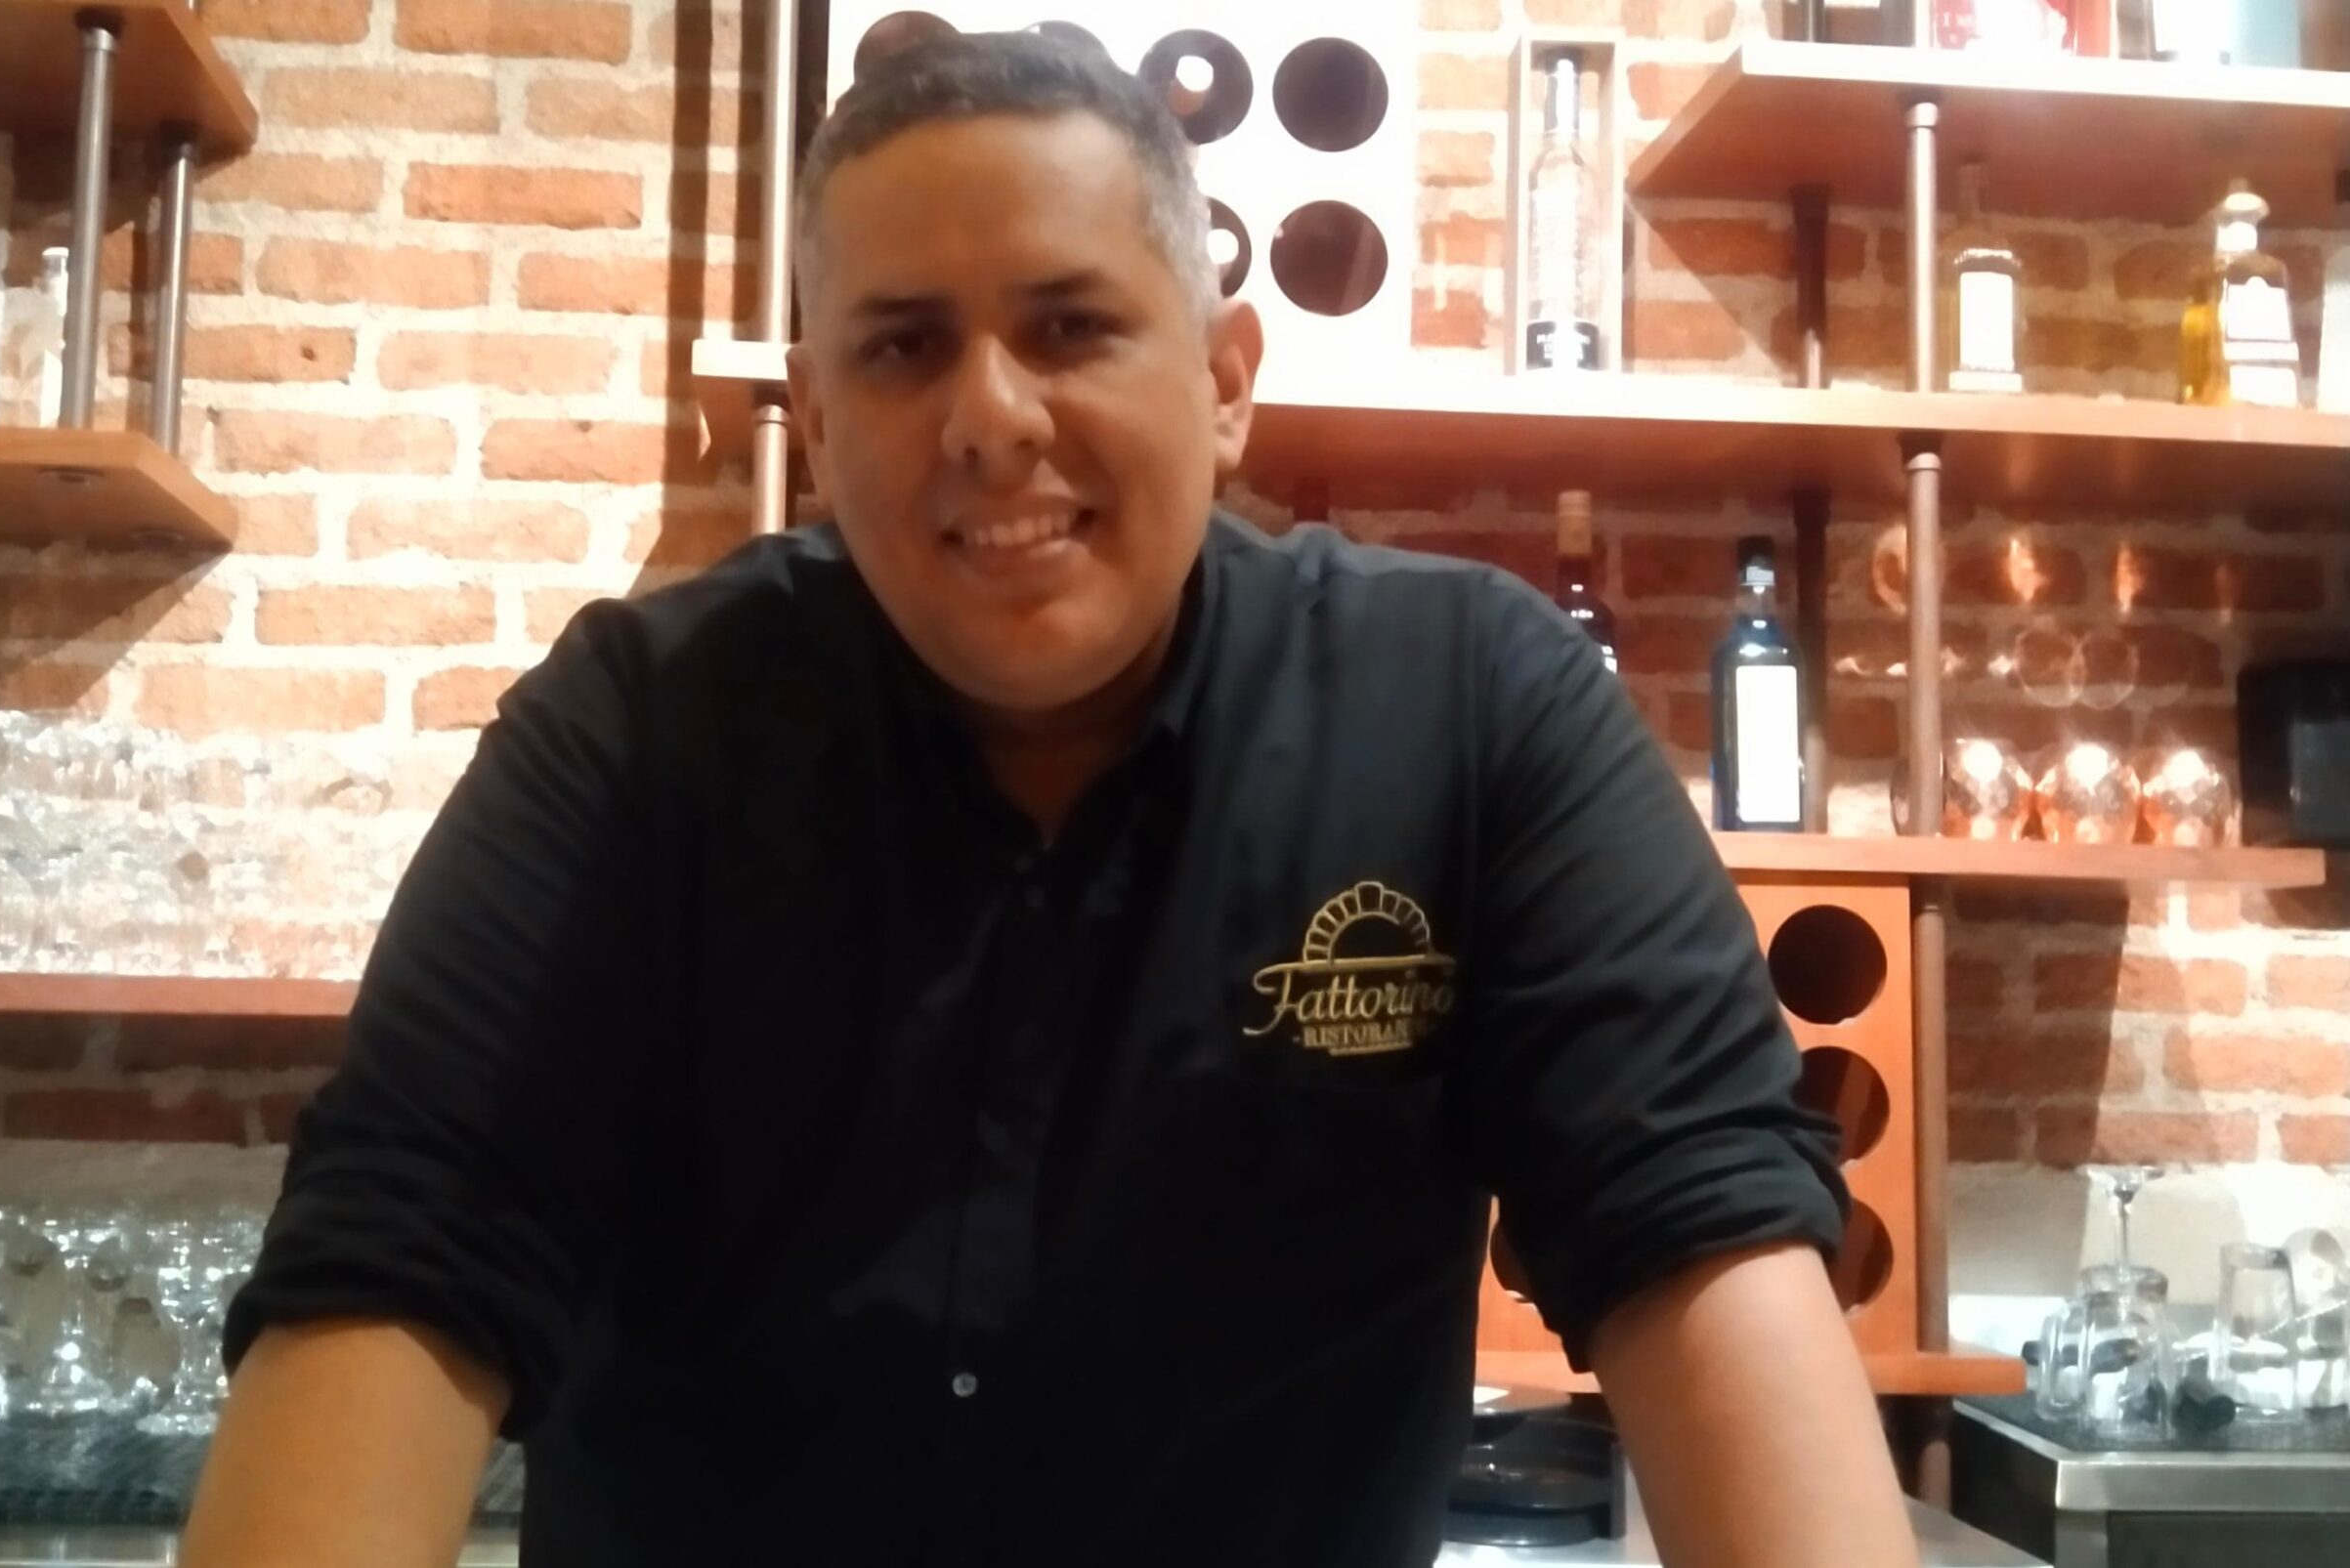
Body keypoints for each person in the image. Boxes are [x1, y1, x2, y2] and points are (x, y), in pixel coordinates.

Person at [183, 30, 1920, 1568]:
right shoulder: (639, 732)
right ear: (815, 420)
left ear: (1225, 382)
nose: (991, 418)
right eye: (902, 348)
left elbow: (1698, 1225)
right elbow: (405, 1252)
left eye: (1071, 326)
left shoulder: (1476, 712)